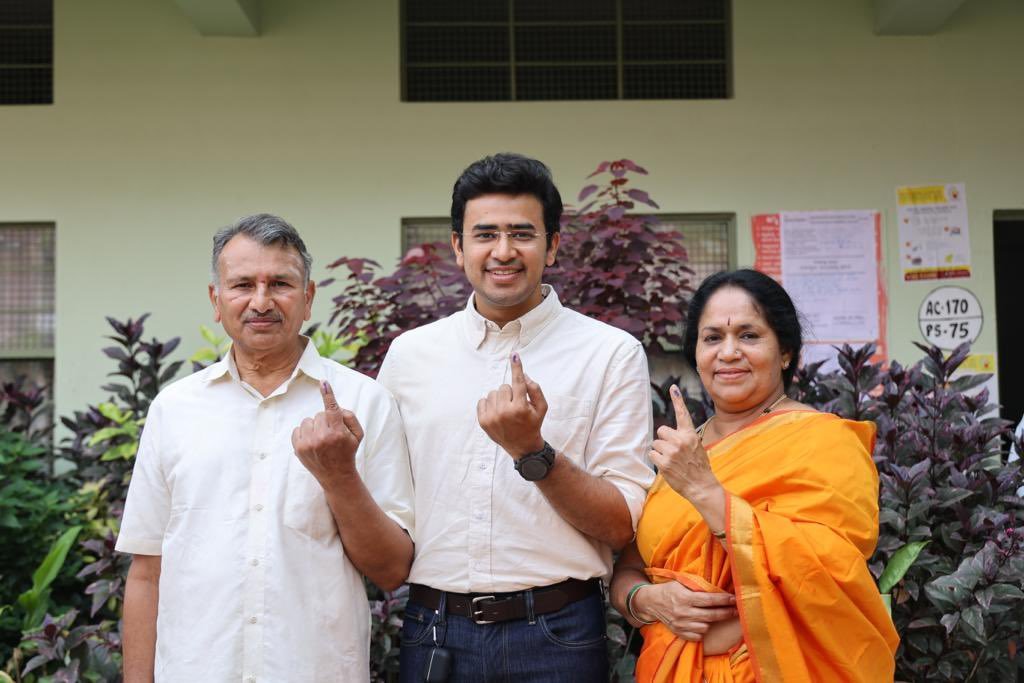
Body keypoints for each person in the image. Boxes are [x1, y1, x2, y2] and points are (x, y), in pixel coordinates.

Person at [378, 153, 655, 681]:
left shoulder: (610, 354)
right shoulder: (410, 356)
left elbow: (623, 524)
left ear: (552, 245)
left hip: (558, 632)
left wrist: (534, 454)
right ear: (458, 247)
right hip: (434, 629)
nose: (502, 251)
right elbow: (386, 503)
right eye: (484, 234)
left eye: (522, 233)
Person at [116, 214, 415, 682]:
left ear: (308, 297)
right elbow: (146, 572)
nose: (261, 301)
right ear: (217, 300)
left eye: (280, 283)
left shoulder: (365, 403)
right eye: (242, 285)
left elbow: (393, 569)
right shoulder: (173, 409)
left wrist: (340, 476)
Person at [610, 269, 899, 682]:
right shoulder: (684, 450)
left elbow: (829, 579)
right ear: (696, 354)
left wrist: (706, 491)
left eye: (748, 335)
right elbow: (629, 568)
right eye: (712, 338)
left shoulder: (823, 441)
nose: (728, 352)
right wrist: (646, 600)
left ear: (785, 351)